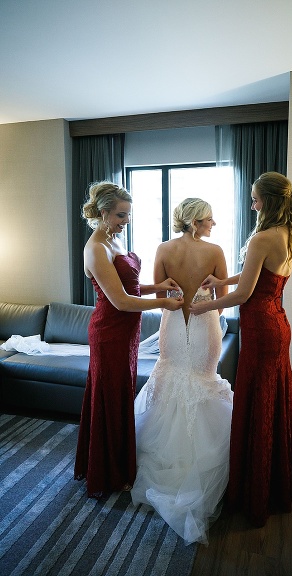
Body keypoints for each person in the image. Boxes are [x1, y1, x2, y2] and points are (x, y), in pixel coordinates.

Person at [190, 172, 292, 527]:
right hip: (277, 323)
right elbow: (261, 277)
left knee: (257, 403)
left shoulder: (263, 237)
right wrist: (222, 280)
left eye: (254, 198)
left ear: (267, 200)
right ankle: (275, 482)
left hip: (260, 327)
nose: (252, 204)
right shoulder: (288, 234)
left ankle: (255, 492)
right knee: (272, 401)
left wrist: (201, 307)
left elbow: (244, 295)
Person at [130, 198, 234, 544]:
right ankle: (201, 459)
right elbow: (223, 295)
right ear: (194, 221)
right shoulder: (216, 251)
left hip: (173, 323)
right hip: (206, 324)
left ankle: (169, 457)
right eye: (208, 218)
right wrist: (205, 307)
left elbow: (162, 292)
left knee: (172, 379)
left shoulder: (162, 249)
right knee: (203, 381)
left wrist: (180, 299)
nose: (213, 224)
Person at [75, 181, 183, 498]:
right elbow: (120, 302)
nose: (126, 221)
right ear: (103, 211)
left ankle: (118, 465)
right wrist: (162, 303)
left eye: (128, 215)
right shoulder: (95, 248)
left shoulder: (115, 239)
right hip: (110, 333)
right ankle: (105, 471)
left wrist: (159, 287)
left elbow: (130, 289)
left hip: (127, 333)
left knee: (121, 394)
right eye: (121, 215)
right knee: (109, 397)